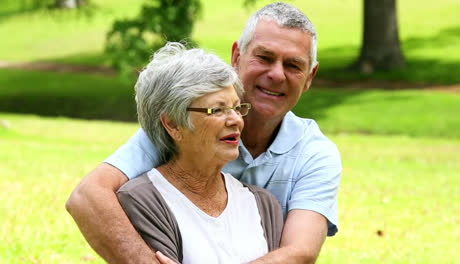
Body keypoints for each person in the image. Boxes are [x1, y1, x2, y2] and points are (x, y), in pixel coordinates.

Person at [66, 2, 342, 263]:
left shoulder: (314, 153)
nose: (277, 74)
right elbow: (88, 197)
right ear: (237, 56)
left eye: (293, 65)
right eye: (265, 57)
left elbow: (300, 252)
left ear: (310, 77)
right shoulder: (185, 123)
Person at [117, 42, 283, 263]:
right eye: (217, 110)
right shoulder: (142, 201)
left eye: (236, 107)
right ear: (173, 124)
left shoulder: (263, 204)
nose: (236, 120)